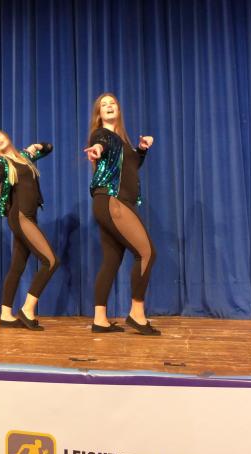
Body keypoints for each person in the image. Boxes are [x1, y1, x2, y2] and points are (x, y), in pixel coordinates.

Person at [84, 93, 159, 335]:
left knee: (111, 260)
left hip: (113, 202)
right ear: (99, 114)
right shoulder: (102, 135)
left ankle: (100, 319)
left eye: (112, 103)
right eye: (103, 105)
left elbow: (132, 165)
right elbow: (101, 144)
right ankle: (137, 314)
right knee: (147, 253)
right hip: (112, 200)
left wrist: (142, 150)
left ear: (118, 109)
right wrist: (97, 149)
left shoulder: (122, 140)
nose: (108, 106)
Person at [0, 130, 57, 331]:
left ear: (7, 136)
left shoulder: (24, 156)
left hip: (29, 216)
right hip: (20, 217)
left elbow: (49, 148)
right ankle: (27, 310)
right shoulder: (1, 161)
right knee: (51, 261)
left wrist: (37, 146)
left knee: (17, 266)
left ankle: (5, 315)